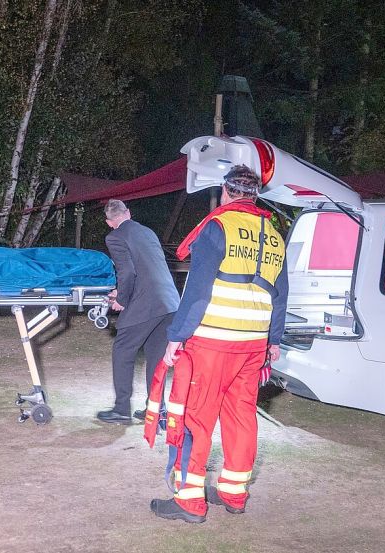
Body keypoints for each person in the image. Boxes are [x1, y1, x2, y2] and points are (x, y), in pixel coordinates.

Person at [149, 165, 288, 523]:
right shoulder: (274, 233)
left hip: (213, 341)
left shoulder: (218, 226)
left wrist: (176, 336)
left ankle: (190, 501)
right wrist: (273, 340)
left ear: (226, 192)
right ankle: (234, 492)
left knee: (196, 416)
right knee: (242, 418)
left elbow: (197, 290)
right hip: (253, 345)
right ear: (256, 195)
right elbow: (280, 295)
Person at [96, 199, 180, 425]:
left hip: (147, 303)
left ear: (109, 222)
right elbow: (147, 269)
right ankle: (156, 410)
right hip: (170, 303)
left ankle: (121, 410)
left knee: (122, 350)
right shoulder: (148, 232)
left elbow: (127, 271)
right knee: (156, 358)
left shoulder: (114, 236)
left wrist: (121, 299)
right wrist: (122, 292)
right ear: (128, 213)